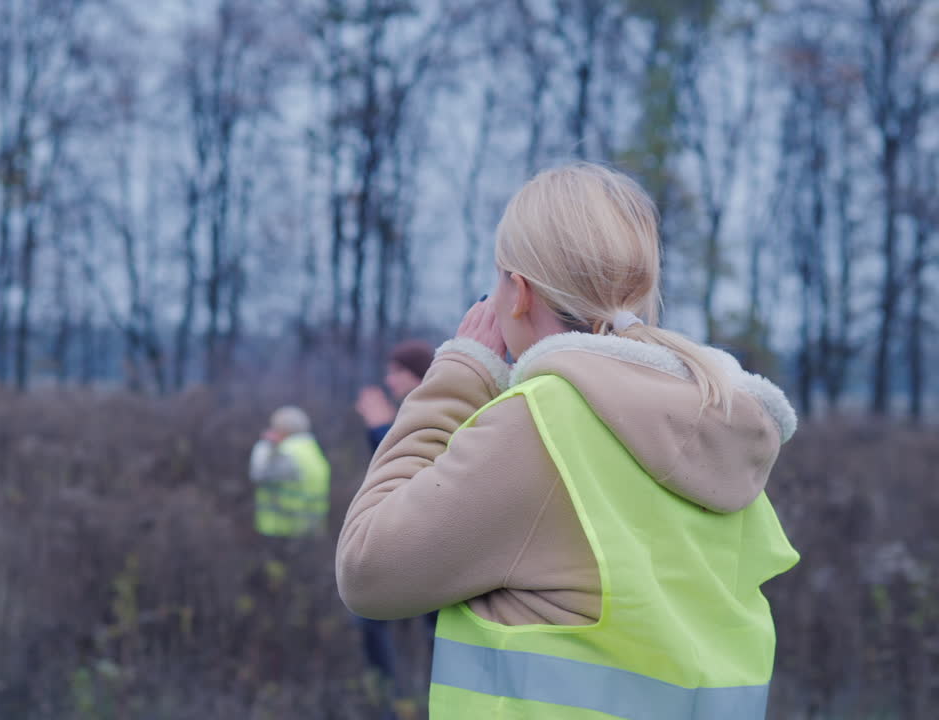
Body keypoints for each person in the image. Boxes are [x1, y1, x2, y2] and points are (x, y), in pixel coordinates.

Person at [336, 163, 800, 719]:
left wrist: (456, 379)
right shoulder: (715, 421)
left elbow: (369, 572)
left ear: (519, 293)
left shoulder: (544, 424)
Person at [352, 340, 435, 714]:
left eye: (395, 372)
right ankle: (389, 693)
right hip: (408, 539)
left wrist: (380, 428)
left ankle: (403, 696)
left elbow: (409, 474)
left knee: (437, 631)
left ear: (415, 375)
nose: (388, 380)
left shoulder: (432, 411)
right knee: (373, 617)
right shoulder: (415, 411)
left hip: (429, 543)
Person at [249, 406, 330, 538]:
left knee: (277, 560)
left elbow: (259, 474)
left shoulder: (286, 452)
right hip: (310, 527)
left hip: (283, 529)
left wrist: (265, 446)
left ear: (283, 430)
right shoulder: (311, 450)